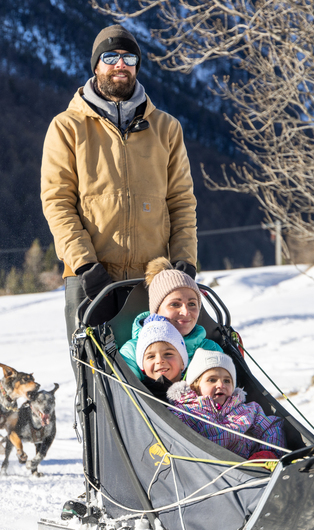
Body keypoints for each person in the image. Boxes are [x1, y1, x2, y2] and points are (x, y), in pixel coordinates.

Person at [41, 24, 198, 343]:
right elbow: (58, 203)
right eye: (110, 56)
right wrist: (85, 265)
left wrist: (185, 262)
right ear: (96, 65)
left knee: (157, 379)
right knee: (96, 382)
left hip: (153, 282)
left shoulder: (166, 128)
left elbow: (181, 201)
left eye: (129, 58)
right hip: (91, 279)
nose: (120, 65)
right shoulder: (67, 127)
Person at [167, 349, 287, 460]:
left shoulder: (247, 410)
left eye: (227, 380)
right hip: (207, 469)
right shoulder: (185, 412)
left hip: (249, 468)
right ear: (195, 386)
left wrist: (267, 453)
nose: (221, 385)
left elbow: (271, 426)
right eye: (212, 380)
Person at [120, 257, 221, 378]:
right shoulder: (132, 351)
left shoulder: (209, 349)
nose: (185, 312)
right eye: (175, 304)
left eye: (192, 304)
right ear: (156, 310)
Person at [134, 314, 188, 400]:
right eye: (151, 356)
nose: (159, 360)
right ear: (142, 366)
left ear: (182, 362)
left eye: (168, 354)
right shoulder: (139, 395)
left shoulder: (196, 389)